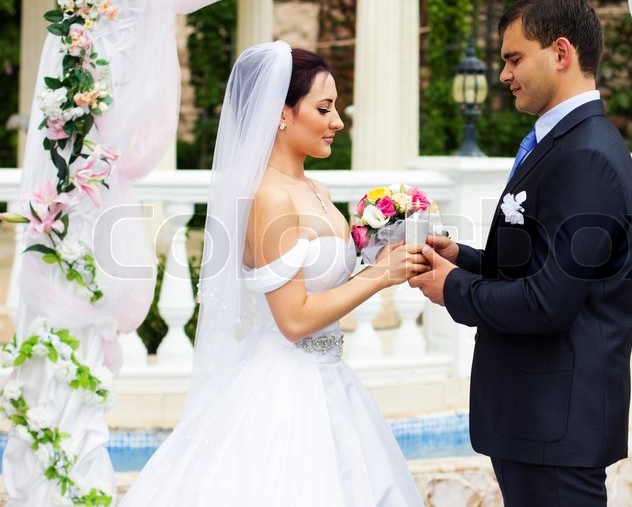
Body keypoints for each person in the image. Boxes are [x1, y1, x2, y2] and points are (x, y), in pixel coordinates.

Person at [121, 41, 427, 506]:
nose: (338, 122)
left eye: (337, 109)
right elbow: (294, 320)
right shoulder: (270, 197)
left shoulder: (316, 188)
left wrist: (385, 246)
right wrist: (380, 276)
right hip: (285, 389)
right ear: (280, 113)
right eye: (324, 108)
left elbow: (331, 287)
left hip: (332, 377)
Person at [410, 0, 632, 506]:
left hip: (556, 426)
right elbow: (536, 262)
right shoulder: (561, 143)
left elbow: (549, 302)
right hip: (534, 420)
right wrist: (461, 257)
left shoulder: (586, 155)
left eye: (514, 58)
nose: (503, 74)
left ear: (561, 53)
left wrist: (455, 289)